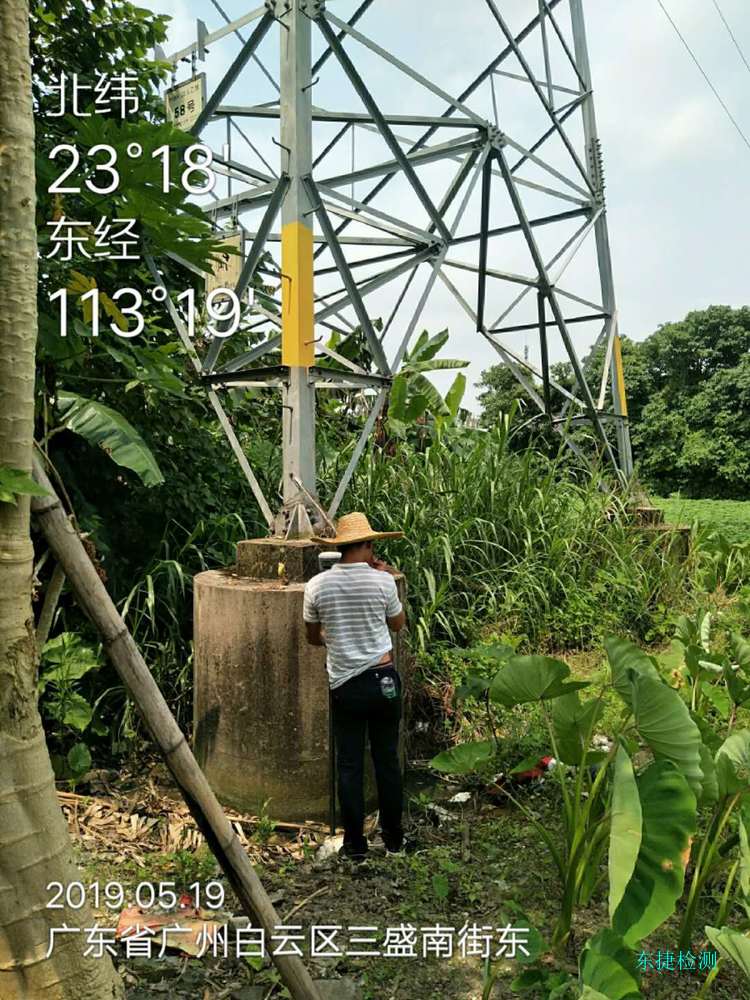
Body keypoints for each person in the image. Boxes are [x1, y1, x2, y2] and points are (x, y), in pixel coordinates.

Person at [303, 512, 406, 861]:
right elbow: (398, 624)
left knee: (349, 766)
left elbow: (313, 638)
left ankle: (355, 846)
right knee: (386, 761)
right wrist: (387, 576)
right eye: (371, 543)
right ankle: (394, 842)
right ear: (365, 546)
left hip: (345, 686)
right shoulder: (383, 582)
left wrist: (337, 638)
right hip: (383, 681)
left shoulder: (317, 586)